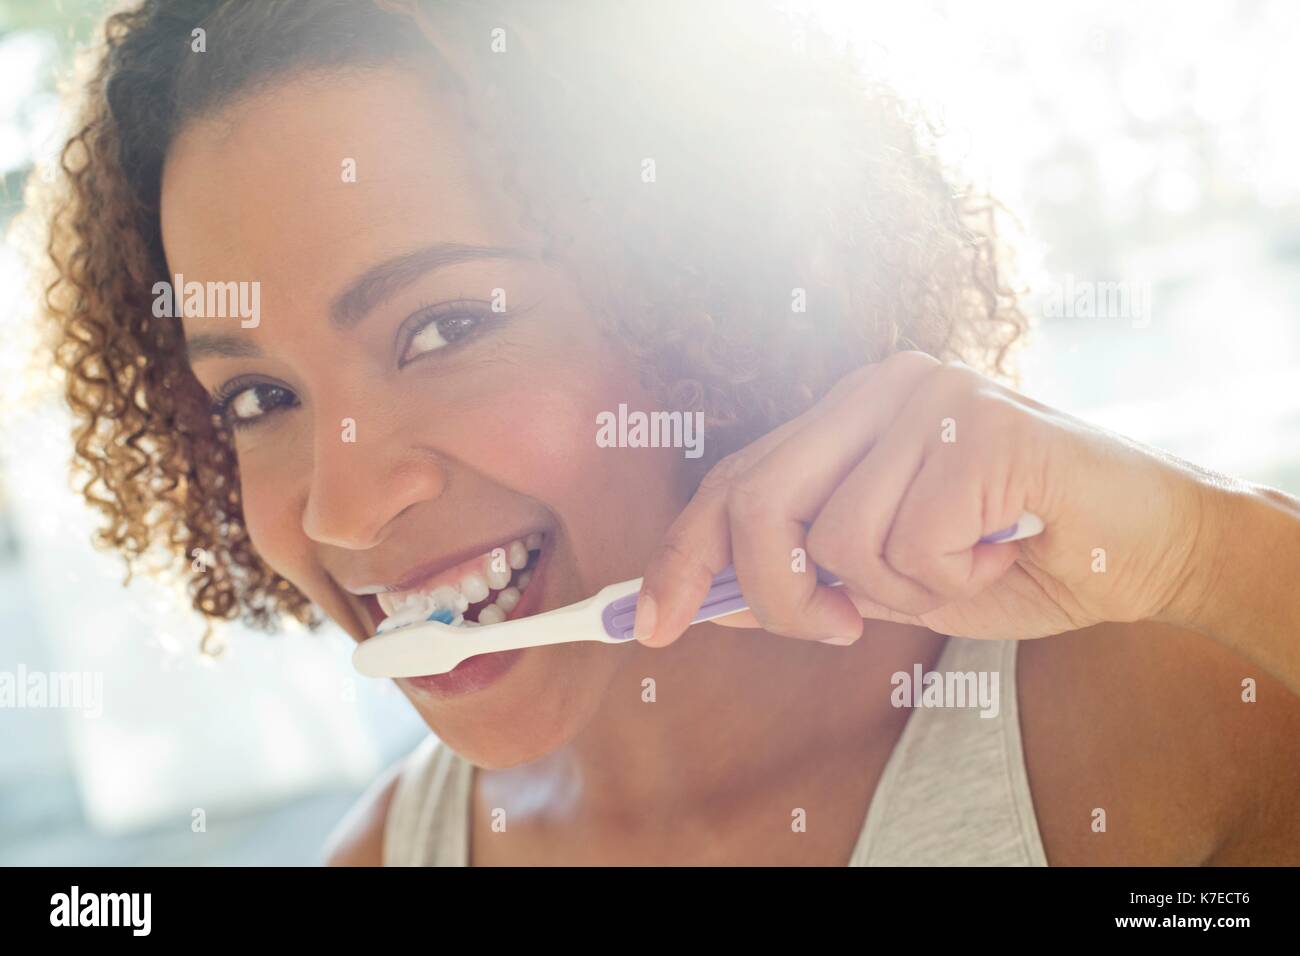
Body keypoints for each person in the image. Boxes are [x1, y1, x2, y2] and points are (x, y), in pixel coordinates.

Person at [22, 0, 1300, 866]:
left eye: (444, 326)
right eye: (258, 399)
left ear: (697, 288)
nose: (340, 507)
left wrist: (1200, 550)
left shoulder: (1147, 720)